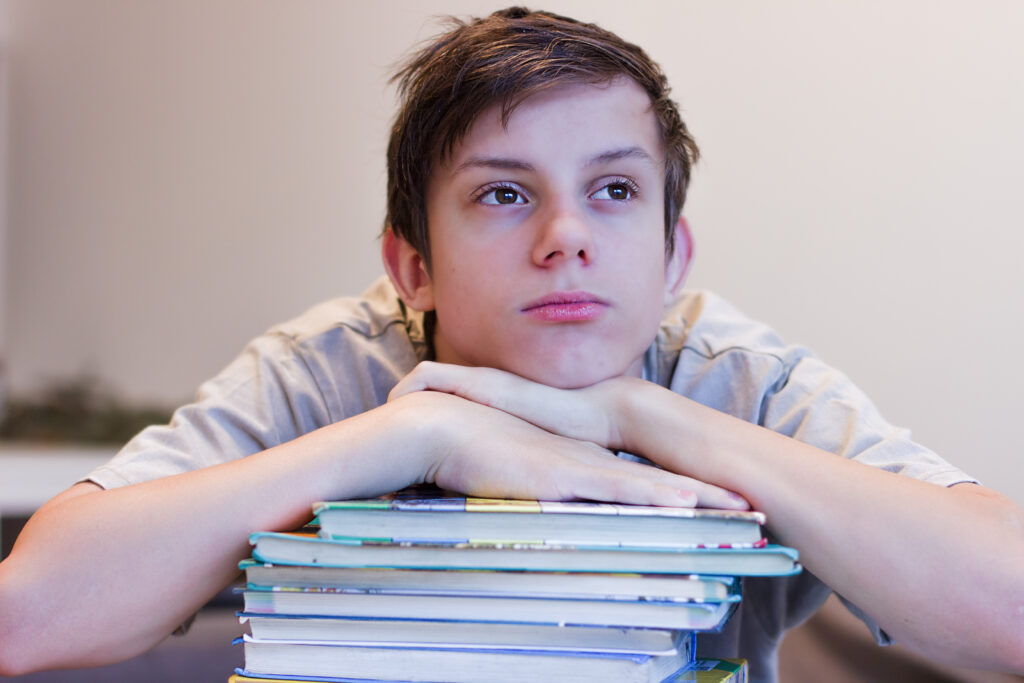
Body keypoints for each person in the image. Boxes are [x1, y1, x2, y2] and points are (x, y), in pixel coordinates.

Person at [1, 7, 1021, 681]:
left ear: (673, 256)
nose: (565, 234)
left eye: (614, 190)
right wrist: (412, 438)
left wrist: (642, 413)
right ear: (413, 269)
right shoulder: (335, 362)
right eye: (502, 192)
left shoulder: (732, 374)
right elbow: (29, 615)